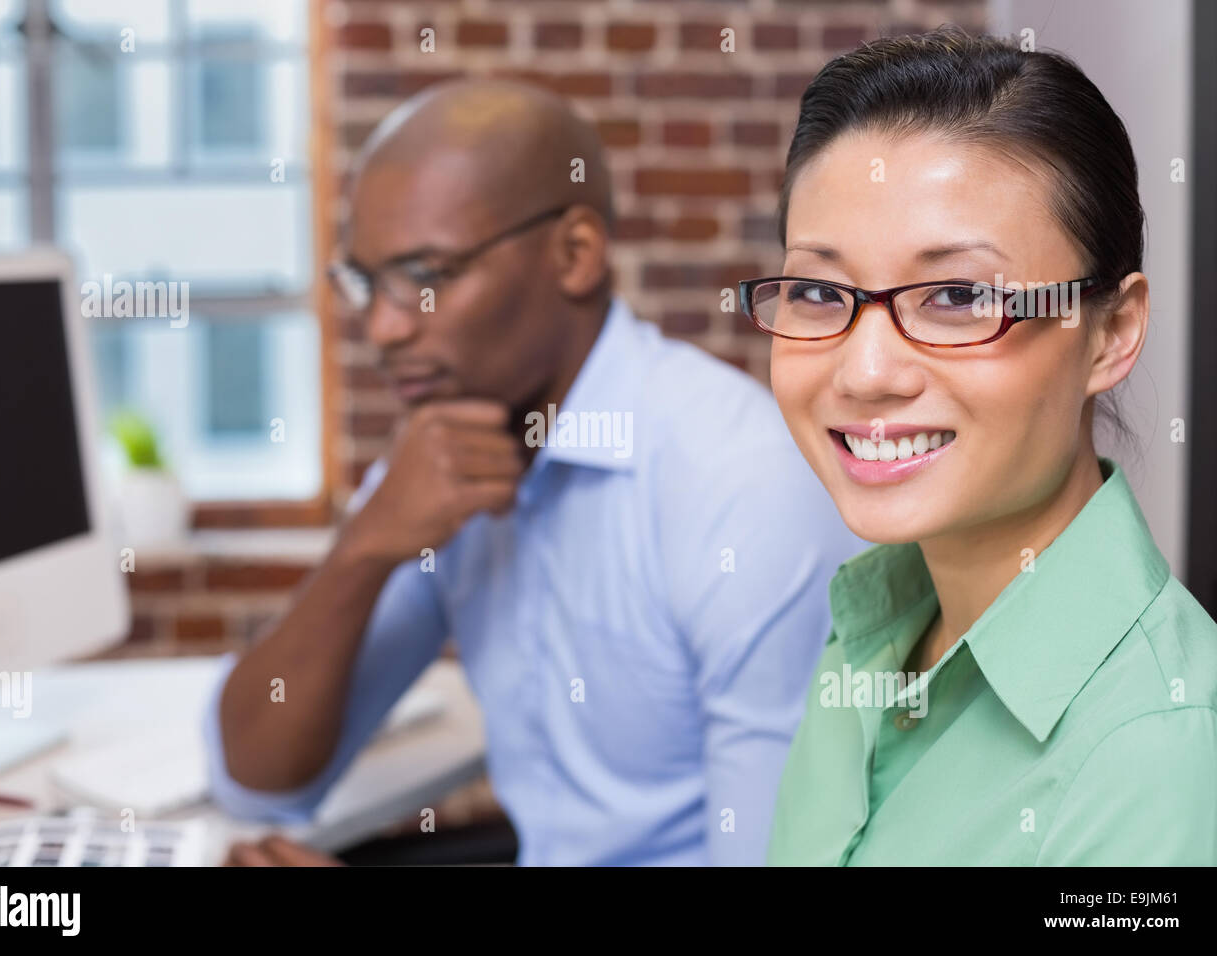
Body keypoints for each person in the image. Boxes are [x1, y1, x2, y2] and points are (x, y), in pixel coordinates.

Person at [205, 78, 867, 866]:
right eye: (366, 283)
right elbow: (259, 783)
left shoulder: (741, 486)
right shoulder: (445, 459)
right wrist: (365, 546)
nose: (382, 327)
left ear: (575, 255)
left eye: (426, 276)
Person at [751, 27, 1217, 866]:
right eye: (820, 291)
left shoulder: (1161, 752)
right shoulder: (880, 623)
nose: (864, 372)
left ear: (1111, 333)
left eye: (960, 296)